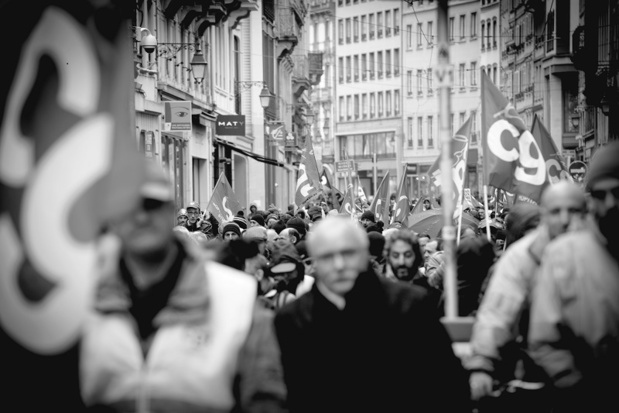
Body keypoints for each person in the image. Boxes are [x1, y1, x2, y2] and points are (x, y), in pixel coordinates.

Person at [80, 160, 287, 412]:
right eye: (127, 208)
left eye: (151, 204)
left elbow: (264, 399)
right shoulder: (80, 300)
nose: (141, 217)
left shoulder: (236, 296)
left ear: (170, 210)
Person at [273, 216, 470, 413]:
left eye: (347, 253)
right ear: (313, 261)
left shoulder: (411, 305)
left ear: (362, 255)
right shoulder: (291, 319)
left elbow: (447, 387)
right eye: (327, 256)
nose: (339, 264)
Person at [466, 181, 587, 411]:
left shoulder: (603, 248)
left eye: (573, 210)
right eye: (555, 211)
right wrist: (482, 363)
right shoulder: (520, 258)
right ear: (544, 216)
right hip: (537, 368)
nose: (564, 219)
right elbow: (496, 313)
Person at [527, 142, 619, 412]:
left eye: (618, 192)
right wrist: (579, 388)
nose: (611, 204)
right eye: (601, 195)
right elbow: (545, 339)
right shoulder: (562, 256)